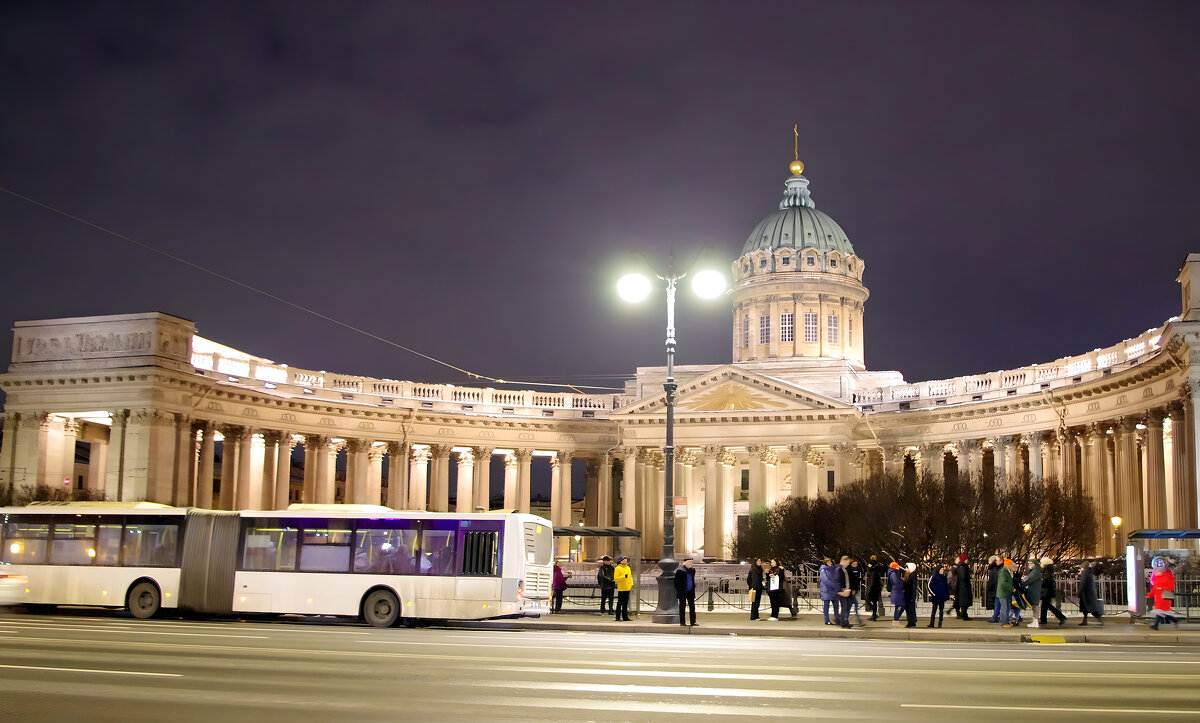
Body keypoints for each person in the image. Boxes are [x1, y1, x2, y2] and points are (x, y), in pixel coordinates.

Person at [1147, 556, 1179, 630]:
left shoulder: (1167, 574)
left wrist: (1162, 589)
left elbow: (1169, 585)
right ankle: (1173, 620)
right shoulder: (1157, 573)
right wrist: (1151, 594)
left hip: (1164, 595)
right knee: (1162, 611)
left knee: (1160, 611)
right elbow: (1154, 583)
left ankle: (1156, 625)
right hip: (1159, 596)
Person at [1039, 557, 1067, 627]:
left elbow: (1046, 581)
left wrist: (1041, 583)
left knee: (1047, 606)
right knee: (1045, 606)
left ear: (1045, 564)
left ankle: (1061, 617)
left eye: (1041, 563)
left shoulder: (1047, 571)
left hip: (1047, 592)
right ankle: (1043, 620)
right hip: (1048, 591)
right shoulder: (1048, 571)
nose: (1040, 564)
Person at [1078, 560, 1103, 626]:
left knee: (1087, 607)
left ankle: (1094, 618)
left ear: (1084, 567)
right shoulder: (1089, 573)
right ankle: (1085, 620)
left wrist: (1079, 592)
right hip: (1090, 593)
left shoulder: (1085, 573)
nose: (1081, 568)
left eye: (1081, 567)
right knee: (1088, 608)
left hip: (1086, 594)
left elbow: (1083, 583)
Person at [674, 558, 698, 626]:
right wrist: (679, 591)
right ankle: (682, 622)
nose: (692, 564)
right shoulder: (680, 571)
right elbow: (676, 582)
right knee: (682, 607)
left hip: (690, 591)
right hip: (683, 592)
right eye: (690, 562)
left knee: (692, 607)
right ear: (686, 563)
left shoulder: (692, 570)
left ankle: (693, 622)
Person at [835, 556, 857, 628]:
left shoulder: (843, 568)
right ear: (844, 561)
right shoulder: (839, 569)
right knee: (845, 607)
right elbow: (837, 581)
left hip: (845, 590)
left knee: (846, 606)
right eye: (847, 562)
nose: (848, 564)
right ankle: (843, 623)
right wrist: (841, 589)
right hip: (842, 591)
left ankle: (845, 621)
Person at [1023, 557, 1043, 628]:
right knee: (1034, 606)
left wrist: (1023, 584)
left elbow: (1030, 580)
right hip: (1034, 590)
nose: (1029, 564)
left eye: (1031, 563)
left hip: (1034, 591)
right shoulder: (1035, 570)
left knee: (1035, 606)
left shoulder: (1035, 571)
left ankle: (1035, 621)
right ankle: (1035, 620)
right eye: (1028, 563)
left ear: (1034, 564)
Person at [819, 557, 839, 625]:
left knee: (836, 605)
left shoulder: (833, 569)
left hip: (833, 590)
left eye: (831, 561)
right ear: (826, 563)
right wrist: (833, 585)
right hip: (827, 590)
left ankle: (837, 619)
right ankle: (827, 620)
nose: (830, 563)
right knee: (826, 606)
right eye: (829, 562)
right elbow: (825, 580)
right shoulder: (823, 570)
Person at [613, 555, 633, 621]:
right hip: (621, 588)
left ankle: (625, 617)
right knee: (620, 603)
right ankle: (618, 617)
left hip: (627, 588)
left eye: (626, 559)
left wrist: (631, 584)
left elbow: (630, 577)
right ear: (620, 561)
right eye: (624, 559)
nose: (626, 560)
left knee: (625, 603)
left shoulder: (628, 568)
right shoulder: (618, 568)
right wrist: (623, 577)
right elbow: (615, 579)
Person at [953, 554, 973, 620]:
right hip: (964, 587)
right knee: (964, 601)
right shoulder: (962, 567)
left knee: (962, 601)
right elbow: (963, 577)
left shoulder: (961, 566)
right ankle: (963, 614)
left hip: (962, 587)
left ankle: (962, 614)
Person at [997, 558, 1016, 628]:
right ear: (1009, 565)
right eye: (1012, 564)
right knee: (1004, 608)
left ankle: (1006, 621)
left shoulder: (1007, 571)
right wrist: (1011, 588)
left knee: (1007, 607)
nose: (1013, 566)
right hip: (1003, 593)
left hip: (1006, 593)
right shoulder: (1003, 572)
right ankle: (1003, 622)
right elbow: (1003, 583)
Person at [866, 555, 885, 621]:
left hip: (873, 588)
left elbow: (871, 581)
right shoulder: (878, 567)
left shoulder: (872, 571)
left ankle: (874, 614)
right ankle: (875, 614)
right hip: (877, 588)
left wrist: (869, 588)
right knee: (876, 601)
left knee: (870, 600)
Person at [887, 562, 905, 626]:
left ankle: (896, 620)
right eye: (897, 567)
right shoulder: (894, 574)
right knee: (899, 607)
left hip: (897, 592)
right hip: (898, 592)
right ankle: (895, 620)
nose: (898, 568)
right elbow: (897, 583)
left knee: (901, 606)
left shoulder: (894, 574)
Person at [848, 558, 865, 625]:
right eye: (854, 564)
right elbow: (850, 580)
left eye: (856, 564)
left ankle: (846, 618)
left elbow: (856, 579)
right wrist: (853, 589)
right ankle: (857, 619)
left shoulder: (857, 569)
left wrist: (861, 579)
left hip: (854, 589)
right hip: (851, 590)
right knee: (854, 603)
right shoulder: (849, 570)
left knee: (852, 604)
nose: (855, 565)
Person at [985, 555, 1001, 623]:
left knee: (996, 604)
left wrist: (989, 586)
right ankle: (996, 617)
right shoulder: (996, 569)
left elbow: (992, 580)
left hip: (994, 589)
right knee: (997, 604)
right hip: (996, 588)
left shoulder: (993, 570)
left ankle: (995, 617)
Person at [902, 562, 918, 628]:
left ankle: (912, 622)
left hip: (910, 595)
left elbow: (913, 587)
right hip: (907, 595)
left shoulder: (913, 576)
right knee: (908, 609)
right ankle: (910, 621)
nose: (905, 569)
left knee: (911, 609)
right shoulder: (909, 575)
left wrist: (913, 596)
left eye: (907, 568)